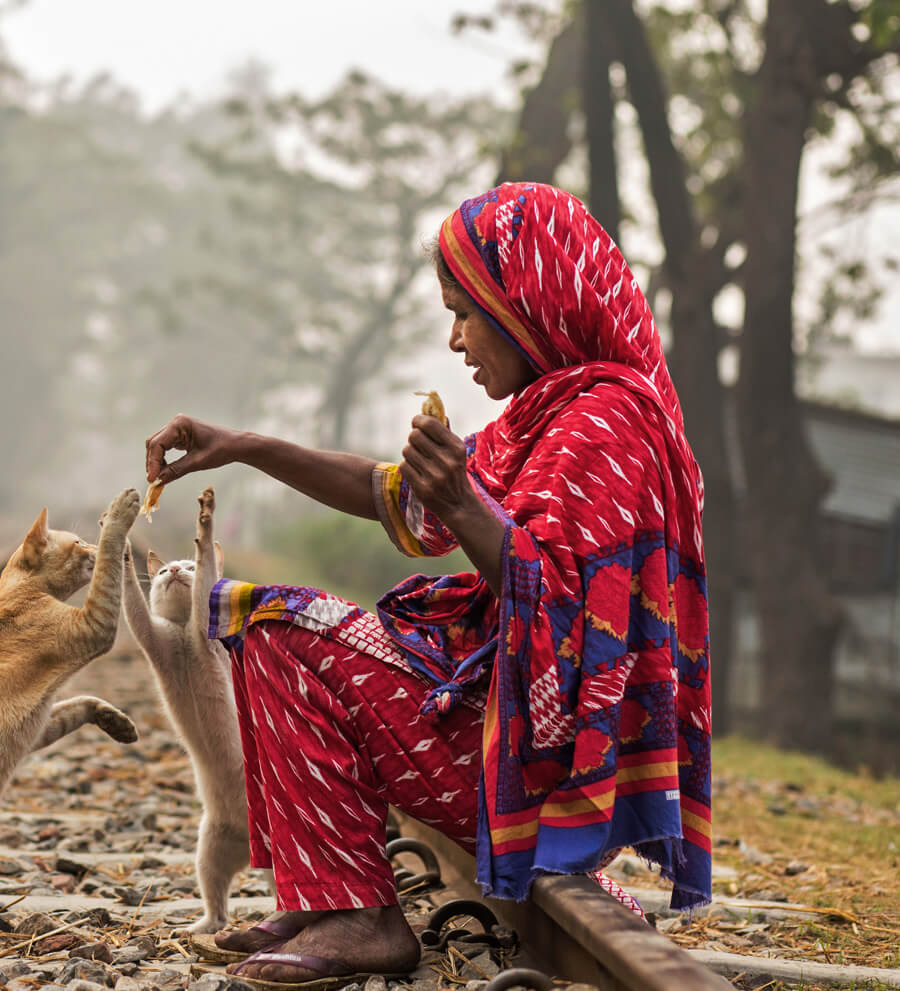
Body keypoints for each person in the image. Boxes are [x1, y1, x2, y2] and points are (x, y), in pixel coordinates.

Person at [143, 182, 712, 987]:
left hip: (533, 767)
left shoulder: (605, 421)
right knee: (272, 621)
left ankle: (361, 915)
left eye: (465, 311)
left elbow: (568, 619)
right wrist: (245, 445)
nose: (454, 340)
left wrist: (463, 506)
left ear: (525, 304)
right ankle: (330, 899)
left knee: (273, 625)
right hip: (496, 736)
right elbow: (392, 497)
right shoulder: (548, 415)